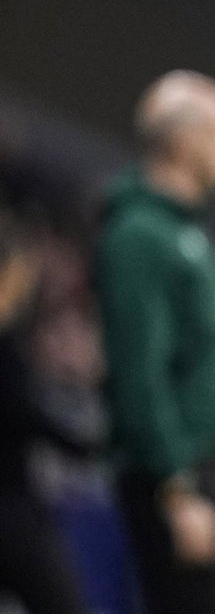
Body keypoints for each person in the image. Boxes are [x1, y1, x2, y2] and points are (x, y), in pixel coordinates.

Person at [94, 70, 215, 614]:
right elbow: (138, 372)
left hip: (209, 466)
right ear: (186, 140)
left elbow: (202, 353)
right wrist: (177, 491)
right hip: (177, 479)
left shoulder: (186, 230)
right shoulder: (138, 235)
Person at [0, 210, 94, 614]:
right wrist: (83, 446)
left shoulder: (12, 339)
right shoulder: (5, 346)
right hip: (12, 508)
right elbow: (22, 414)